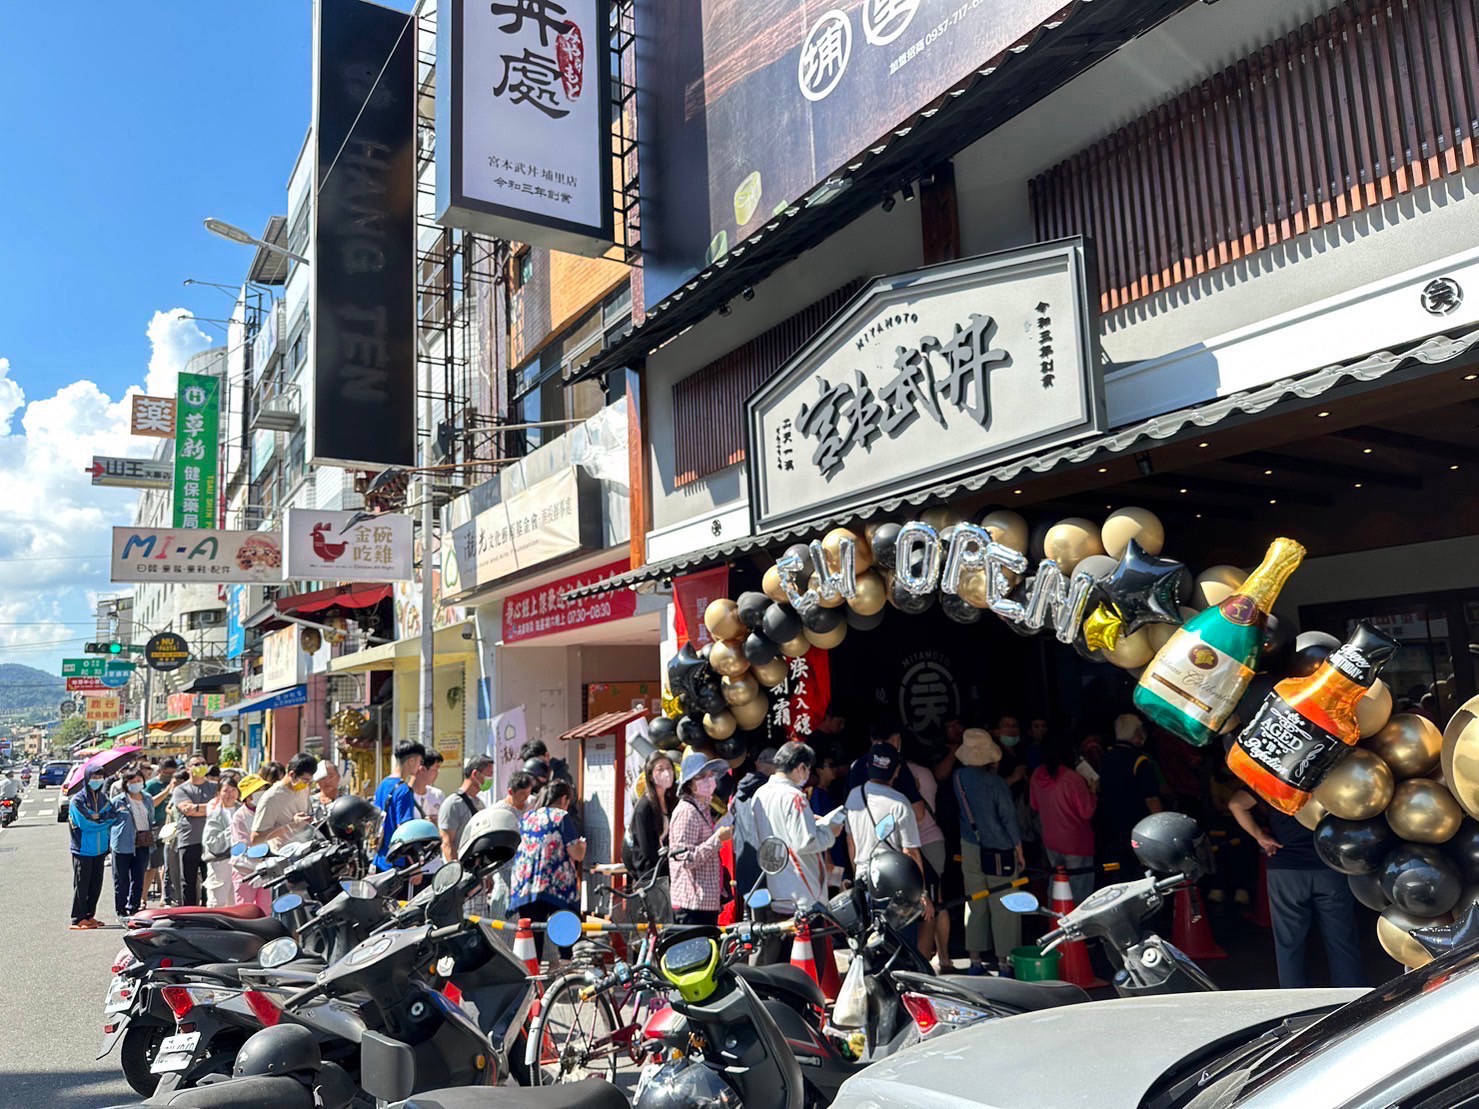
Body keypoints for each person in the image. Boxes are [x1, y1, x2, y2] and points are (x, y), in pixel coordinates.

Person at [1228, 790, 1365, 988]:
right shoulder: (1330, 775)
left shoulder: (1277, 779)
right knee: (1342, 940)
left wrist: (1260, 836)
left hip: (1285, 867)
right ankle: (1353, 1001)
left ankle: (1294, 1003)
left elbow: (1236, 804)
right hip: (1329, 867)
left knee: (1289, 944)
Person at [753, 741, 841, 964]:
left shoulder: (760, 794)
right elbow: (804, 842)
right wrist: (831, 832)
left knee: (781, 958)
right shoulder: (794, 796)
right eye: (808, 769)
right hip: (803, 888)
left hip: (776, 884)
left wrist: (811, 823)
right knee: (808, 960)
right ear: (801, 768)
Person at [953, 728, 1024, 975]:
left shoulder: (959, 777)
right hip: (1000, 849)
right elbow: (1009, 819)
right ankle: (1004, 963)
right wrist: (1019, 849)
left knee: (975, 902)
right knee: (1004, 905)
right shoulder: (996, 783)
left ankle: (974, 961)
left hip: (970, 846)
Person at [508, 780, 586, 960]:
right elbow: (577, 853)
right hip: (554, 885)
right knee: (566, 930)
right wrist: (582, 845)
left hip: (526, 885)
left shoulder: (527, 817)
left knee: (532, 938)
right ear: (564, 799)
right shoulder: (561, 816)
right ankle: (567, 971)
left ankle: (532, 980)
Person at [1030, 733, 1097, 905]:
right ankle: (1079, 928)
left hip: (1051, 841)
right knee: (1079, 890)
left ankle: (1055, 924)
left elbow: (1034, 805)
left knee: (1056, 884)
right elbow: (1086, 812)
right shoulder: (1072, 779)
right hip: (1076, 843)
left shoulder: (1037, 774)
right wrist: (1092, 790)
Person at [668, 754, 734, 926]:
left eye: (710, 775)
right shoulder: (687, 812)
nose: (709, 780)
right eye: (701, 777)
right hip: (691, 904)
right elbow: (684, 859)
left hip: (705, 903)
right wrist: (717, 840)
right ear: (690, 784)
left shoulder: (703, 808)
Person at [1098, 714, 1164, 873]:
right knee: (1141, 871)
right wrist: (1162, 828)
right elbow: (1152, 799)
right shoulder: (1140, 760)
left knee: (1118, 871)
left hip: (1112, 827)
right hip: (1138, 827)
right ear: (1137, 733)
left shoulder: (1106, 757)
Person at [845, 743, 924, 873]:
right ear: (897, 770)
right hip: (893, 875)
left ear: (867, 766)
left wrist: (856, 874)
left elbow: (850, 840)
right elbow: (910, 851)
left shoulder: (853, 796)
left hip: (864, 874)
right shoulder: (900, 803)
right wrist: (921, 889)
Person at [69, 770, 121, 929]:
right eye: (94, 777)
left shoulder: (103, 798)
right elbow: (85, 824)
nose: (97, 780)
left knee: (95, 884)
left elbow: (114, 816)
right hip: (83, 849)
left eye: (100, 777)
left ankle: (90, 915)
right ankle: (78, 918)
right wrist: (100, 819)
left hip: (100, 849)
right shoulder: (77, 800)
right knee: (82, 884)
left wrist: (98, 818)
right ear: (87, 778)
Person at [624, 751, 676, 885]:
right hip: (650, 873)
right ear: (651, 776)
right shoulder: (644, 807)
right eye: (660, 769)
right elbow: (647, 849)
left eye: (669, 768)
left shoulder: (671, 801)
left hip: (668, 869)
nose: (667, 773)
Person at [172, 755, 218, 906]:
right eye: (197, 764)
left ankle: (209, 913)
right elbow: (187, 810)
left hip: (212, 841)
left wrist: (197, 808)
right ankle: (189, 914)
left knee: (211, 880)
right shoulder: (181, 789)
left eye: (203, 763)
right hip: (189, 840)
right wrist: (211, 806)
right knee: (188, 881)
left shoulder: (215, 786)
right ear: (188, 768)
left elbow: (223, 805)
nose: (201, 766)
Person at [374, 741, 426, 869]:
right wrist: (415, 865)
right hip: (398, 862)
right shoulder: (404, 790)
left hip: (380, 858)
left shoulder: (382, 785)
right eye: (420, 761)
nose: (420, 766)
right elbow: (404, 828)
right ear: (411, 761)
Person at [110, 768, 152, 920]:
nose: (136, 784)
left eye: (138, 781)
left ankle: (134, 907)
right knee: (121, 879)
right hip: (122, 844)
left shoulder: (147, 798)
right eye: (132, 782)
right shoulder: (118, 801)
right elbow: (110, 822)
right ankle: (120, 910)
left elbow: (150, 818)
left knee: (138, 877)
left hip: (142, 842)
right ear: (126, 784)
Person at [250, 753, 317, 848]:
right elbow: (256, 838)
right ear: (292, 775)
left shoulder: (304, 788)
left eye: (310, 781)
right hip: (284, 854)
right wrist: (292, 825)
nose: (307, 784)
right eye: (305, 780)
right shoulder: (271, 798)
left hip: (306, 847)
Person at [439, 755, 494, 862]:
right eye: (489, 775)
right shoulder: (453, 804)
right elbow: (447, 843)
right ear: (475, 774)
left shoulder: (480, 803)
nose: (490, 780)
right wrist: (456, 873)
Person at [230, 775, 273, 911]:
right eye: (258, 790)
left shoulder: (269, 811)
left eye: (263, 789)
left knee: (265, 910)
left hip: (267, 869)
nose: (262, 792)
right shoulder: (239, 816)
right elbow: (243, 844)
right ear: (248, 796)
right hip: (245, 870)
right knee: (245, 910)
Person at [202, 773, 241, 908]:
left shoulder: (243, 810)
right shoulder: (215, 814)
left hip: (240, 862)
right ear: (219, 793)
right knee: (217, 902)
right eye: (226, 790)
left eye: (233, 790)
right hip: (220, 862)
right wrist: (232, 830)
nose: (230, 794)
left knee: (235, 902)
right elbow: (212, 842)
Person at [142, 758, 177, 906]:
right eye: (166, 773)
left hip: (172, 826)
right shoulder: (151, 785)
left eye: (172, 773)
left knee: (168, 864)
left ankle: (165, 896)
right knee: (152, 865)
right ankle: (142, 897)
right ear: (160, 771)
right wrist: (168, 790)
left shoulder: (179, 782)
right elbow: (149, 803)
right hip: (156, 827)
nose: (169, 776)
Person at [413, 751, 445, 822]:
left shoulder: (438, 795)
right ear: (422, 769)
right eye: (436, 769)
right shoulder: (404, 795)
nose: (437, 773)